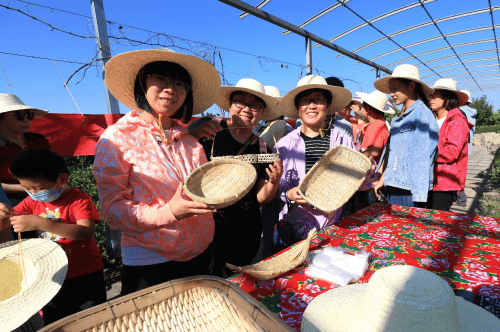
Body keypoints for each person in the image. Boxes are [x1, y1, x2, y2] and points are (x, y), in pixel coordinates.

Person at [93, 48, 220, 295]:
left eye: (180, 83)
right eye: (160, 78)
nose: (170, 89)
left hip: (201, 251)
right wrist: (168, 212)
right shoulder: (117, 139)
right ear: (142, 82)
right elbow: (112, 210)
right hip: (150, 259)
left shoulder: (189, 141)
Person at [189, 78, 283, 276]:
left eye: (255, 105)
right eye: (240, 102)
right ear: (230, 105)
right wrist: (194, 135)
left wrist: (273, 183)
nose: (247, 109)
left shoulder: (263, 147)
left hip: (246, 233)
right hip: (208, 230)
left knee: (237, 285)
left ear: (262, 111)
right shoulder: (208, 132)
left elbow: (260, 197)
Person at [0, 148, 105, 325]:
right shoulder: (32, 201)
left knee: (93, 321)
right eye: (26, 188)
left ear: (62, 179)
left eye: (38, 188)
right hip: (52, 277)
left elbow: (85, 232)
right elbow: (10, 222)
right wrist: (3, 217)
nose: (33, 192)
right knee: (57, 322)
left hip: (85, 273)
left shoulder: (79, 200)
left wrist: (41, 223)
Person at [272, 75, 354, 252]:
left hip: (332, 225)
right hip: (293, 226)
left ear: (328, 106)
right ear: (297, 107)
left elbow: (354, 183)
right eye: (305, 101)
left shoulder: (343, 141)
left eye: (318, 100)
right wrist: (289, 194)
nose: (312, 105)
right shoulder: (284, 146)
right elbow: (277, 187)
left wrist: (367, 176)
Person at [373, 64, 439, 207]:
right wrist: (384, 179)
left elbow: (422, 159)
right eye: (391, 90)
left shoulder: (421, 116)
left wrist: (419, 199)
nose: (391, 94)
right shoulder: (403, 116)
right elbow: (394, 155)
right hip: (397, 186)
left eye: (395, 88)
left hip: (407, 191)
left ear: (411, 86)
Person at [427, 79, 471, 211]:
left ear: (448, 98)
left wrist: (426, 153)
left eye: (436, 95)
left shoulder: (457, 121)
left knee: (437, 220)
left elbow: (451, 152)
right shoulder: (434, 119)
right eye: (431, 95)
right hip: (430, 178)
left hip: (444, 182)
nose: (431, 98)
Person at [0, 94, 50, 205]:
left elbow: (56, 169)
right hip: (9, 204)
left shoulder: (39, 140)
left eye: (29, 115)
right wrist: (31, 189)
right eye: (19, 115)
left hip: (48, 199)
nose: (27, 120)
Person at [352, 90, 394, 211]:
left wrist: (356, 157)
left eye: (362, 107)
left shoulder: (375, 125)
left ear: (368, 109)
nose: (360, 110)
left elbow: (374, 151)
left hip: (372, 180)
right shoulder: (380, 124)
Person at [455, 90, 477, 206]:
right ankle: (460, 197)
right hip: (467, 146)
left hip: (459, 146)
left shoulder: (460, 112)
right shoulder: (472, 112)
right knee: (462, 172)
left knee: (457, 172)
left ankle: (461, 198)